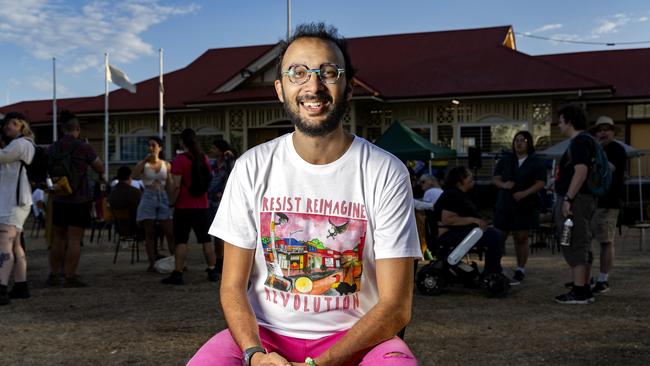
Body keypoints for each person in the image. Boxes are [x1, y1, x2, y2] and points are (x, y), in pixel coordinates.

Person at [189, 23, 421, 366]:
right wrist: (254, 355)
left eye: (328, 72)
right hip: (264, 334)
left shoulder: (384, 172)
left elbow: (396, 307)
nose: (313, 86)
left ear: (349, 87)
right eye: (298, 73)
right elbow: (232, 286)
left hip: (358, 338)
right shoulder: (252, 166)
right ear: (281, 90)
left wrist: (317, 365)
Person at [47, 110, 104, 287]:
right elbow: (100, 168)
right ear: (77, 129)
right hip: (79, 198)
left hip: (59, 197)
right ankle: (70, 276)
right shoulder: (83, 146)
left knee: (58, 238)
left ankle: (54, 274)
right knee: (74, 239)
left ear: (63, 129)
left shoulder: (53, 147)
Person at [161, 128, 217, 285]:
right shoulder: (203, 158)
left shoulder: (180, 160)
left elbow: (176, 185)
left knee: (181, 241)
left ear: (181, 142)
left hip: (184, 206)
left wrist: (172, 201)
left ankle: (178, 273)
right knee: (206, 240)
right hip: (202, 205)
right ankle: (212, 270)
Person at [554, 104, 597, 305]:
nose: (559, 125)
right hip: (584, 199)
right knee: (581, 239)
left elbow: (581, 171)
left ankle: (579, 291)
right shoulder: (587, 141)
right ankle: (583, 286)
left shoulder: (579, 142)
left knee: (574, 240)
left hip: (577, 200)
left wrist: (568, 198)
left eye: (561, 121)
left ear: (570, 121)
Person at [433, 166, 506, 278]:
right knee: (494, 236)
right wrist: (474, 220)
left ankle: (492, 272)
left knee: (494, 233)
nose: (472, 176)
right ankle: (492, 273)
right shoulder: (452, 194)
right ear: (459, 182)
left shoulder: (461, 194)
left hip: (456, 232)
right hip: (447, 235)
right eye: (468, 175)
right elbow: (447, 219)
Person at [493, 131, 546, 283]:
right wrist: (504, 184)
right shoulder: (506, 159)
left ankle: (520, 269)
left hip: (525, 205)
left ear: (529, 142)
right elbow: (495, 178)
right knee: (498, 237)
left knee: (521, 238)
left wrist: (525, 193)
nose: (519, 143)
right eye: (516, 140)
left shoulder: (535, 161)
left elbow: (541, 182)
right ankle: (495, 267)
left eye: (523, 140)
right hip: (505, 204)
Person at [0, 112, 36, 305]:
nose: (6, 127)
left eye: (11, 124)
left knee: (4, 244)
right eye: (5, 124)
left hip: (11, 201)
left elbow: (3, 157)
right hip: (17, 199)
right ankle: (21, 286)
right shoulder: (24, 144)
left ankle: (1, 288)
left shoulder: (20, 144)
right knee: (15, 245)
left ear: (21, 125)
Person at [590, 116, 626, 294]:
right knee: (584, 241)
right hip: (590, 203)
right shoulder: (594, 149)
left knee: (605, 241)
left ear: (613, 132)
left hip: (609, 202)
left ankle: (603, 280)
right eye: (599, 129)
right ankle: (585, 277)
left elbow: (607, 169)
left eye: (607, 129)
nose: (603, 132)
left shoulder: (617, 149)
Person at [132, 137, 175, 272]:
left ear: (160, 148)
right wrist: (144, 160)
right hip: (149, 195)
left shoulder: (166, 165)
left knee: (169, 231)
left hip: (162, 197)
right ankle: (152, 261)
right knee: (149, 232)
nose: (151, 148)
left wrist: (172, 201)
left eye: (153, 145)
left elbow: (170, 184)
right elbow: (134, 176)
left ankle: (175, 260)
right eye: (149, 145)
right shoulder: (144, 164)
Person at [208, 139, 236, 273]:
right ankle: (219, 260)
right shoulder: (212, 164)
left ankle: (225, 261)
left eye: (214, 148)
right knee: (216, 234)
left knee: (224, 233)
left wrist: (230, 156)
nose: (211, 151)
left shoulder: (229, 162)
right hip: (211, 200)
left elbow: (233, 177)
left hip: (224, 200)